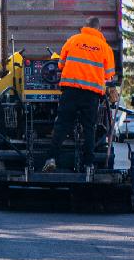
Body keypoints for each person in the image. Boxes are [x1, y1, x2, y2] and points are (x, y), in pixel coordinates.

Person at [41, 16, 116, 172]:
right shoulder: (105, 48)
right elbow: (108, 75)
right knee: (89, 129)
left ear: (85, 27)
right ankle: (88, 164)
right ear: (99, 29)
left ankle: (51, 159)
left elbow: (60, 65)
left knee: (61, 125)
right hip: (91, 95)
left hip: (70, 91)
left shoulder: (73, 40)